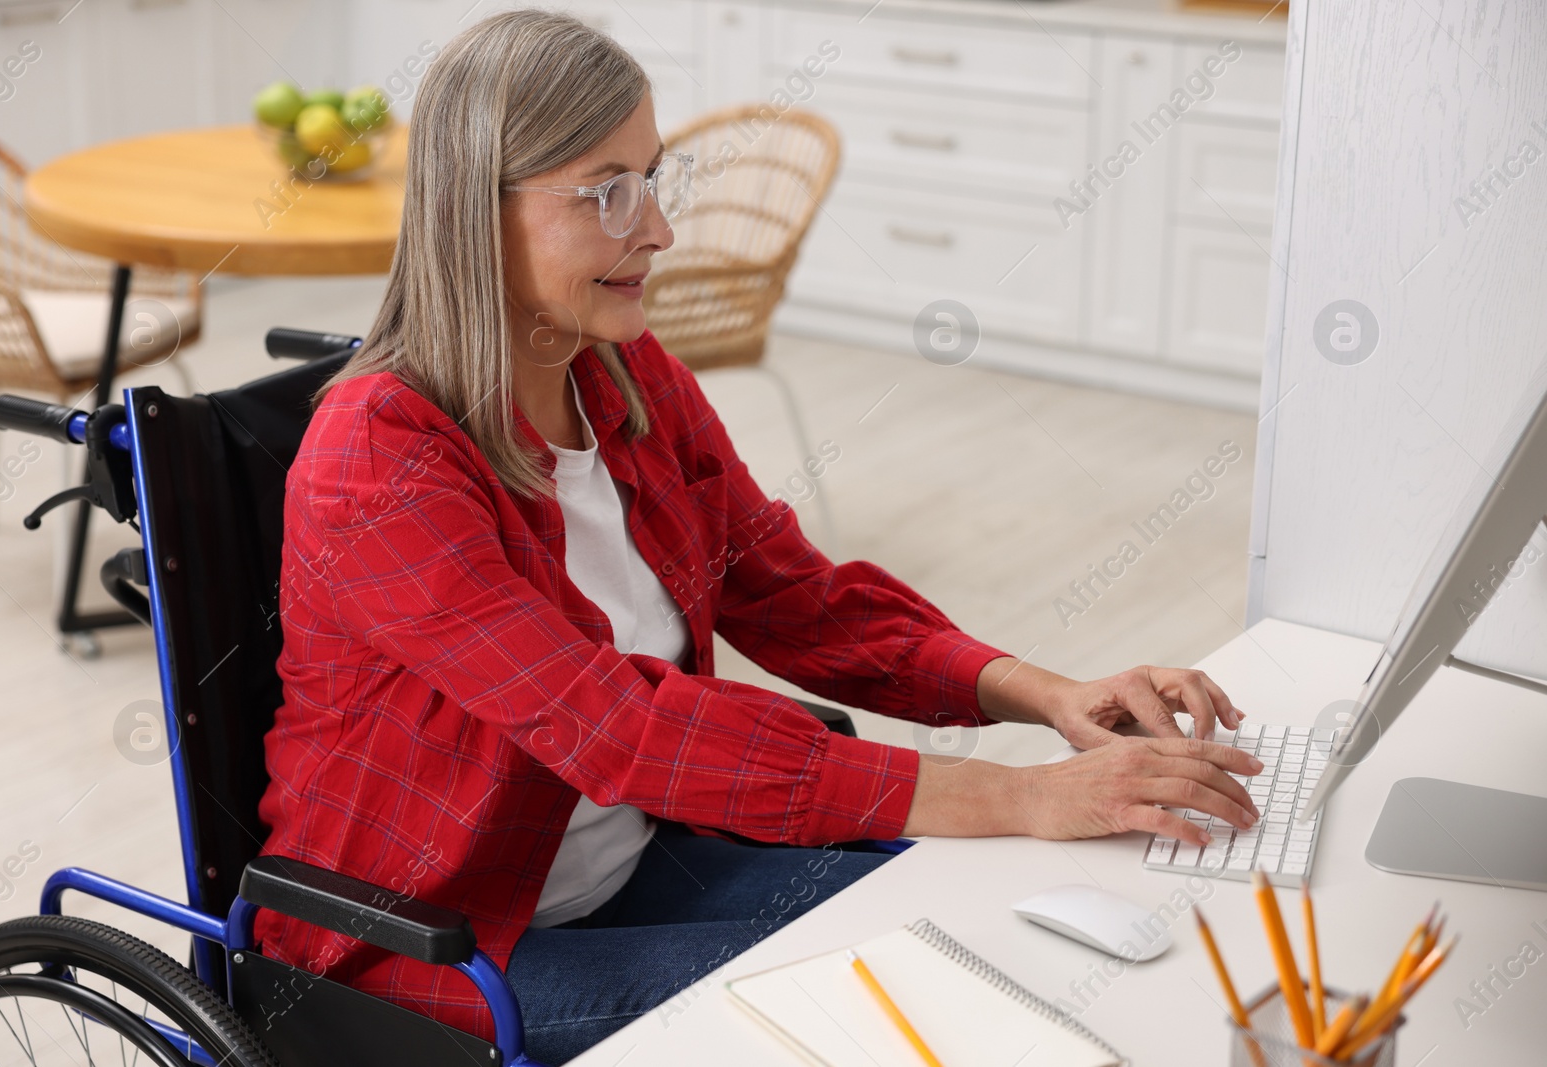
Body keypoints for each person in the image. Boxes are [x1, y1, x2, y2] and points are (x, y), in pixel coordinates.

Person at [253, 10, 1263, 1064]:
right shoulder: (378, 457)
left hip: (624, 865)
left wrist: (1044, 694)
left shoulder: (627, 378)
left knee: (959, 934)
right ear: (476, 210)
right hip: (429, 941)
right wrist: (1016, 794)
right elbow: (617, 728)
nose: (657, 230)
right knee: (877, 1013)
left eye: (652, 178)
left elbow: (797, 597)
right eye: (607, 192)